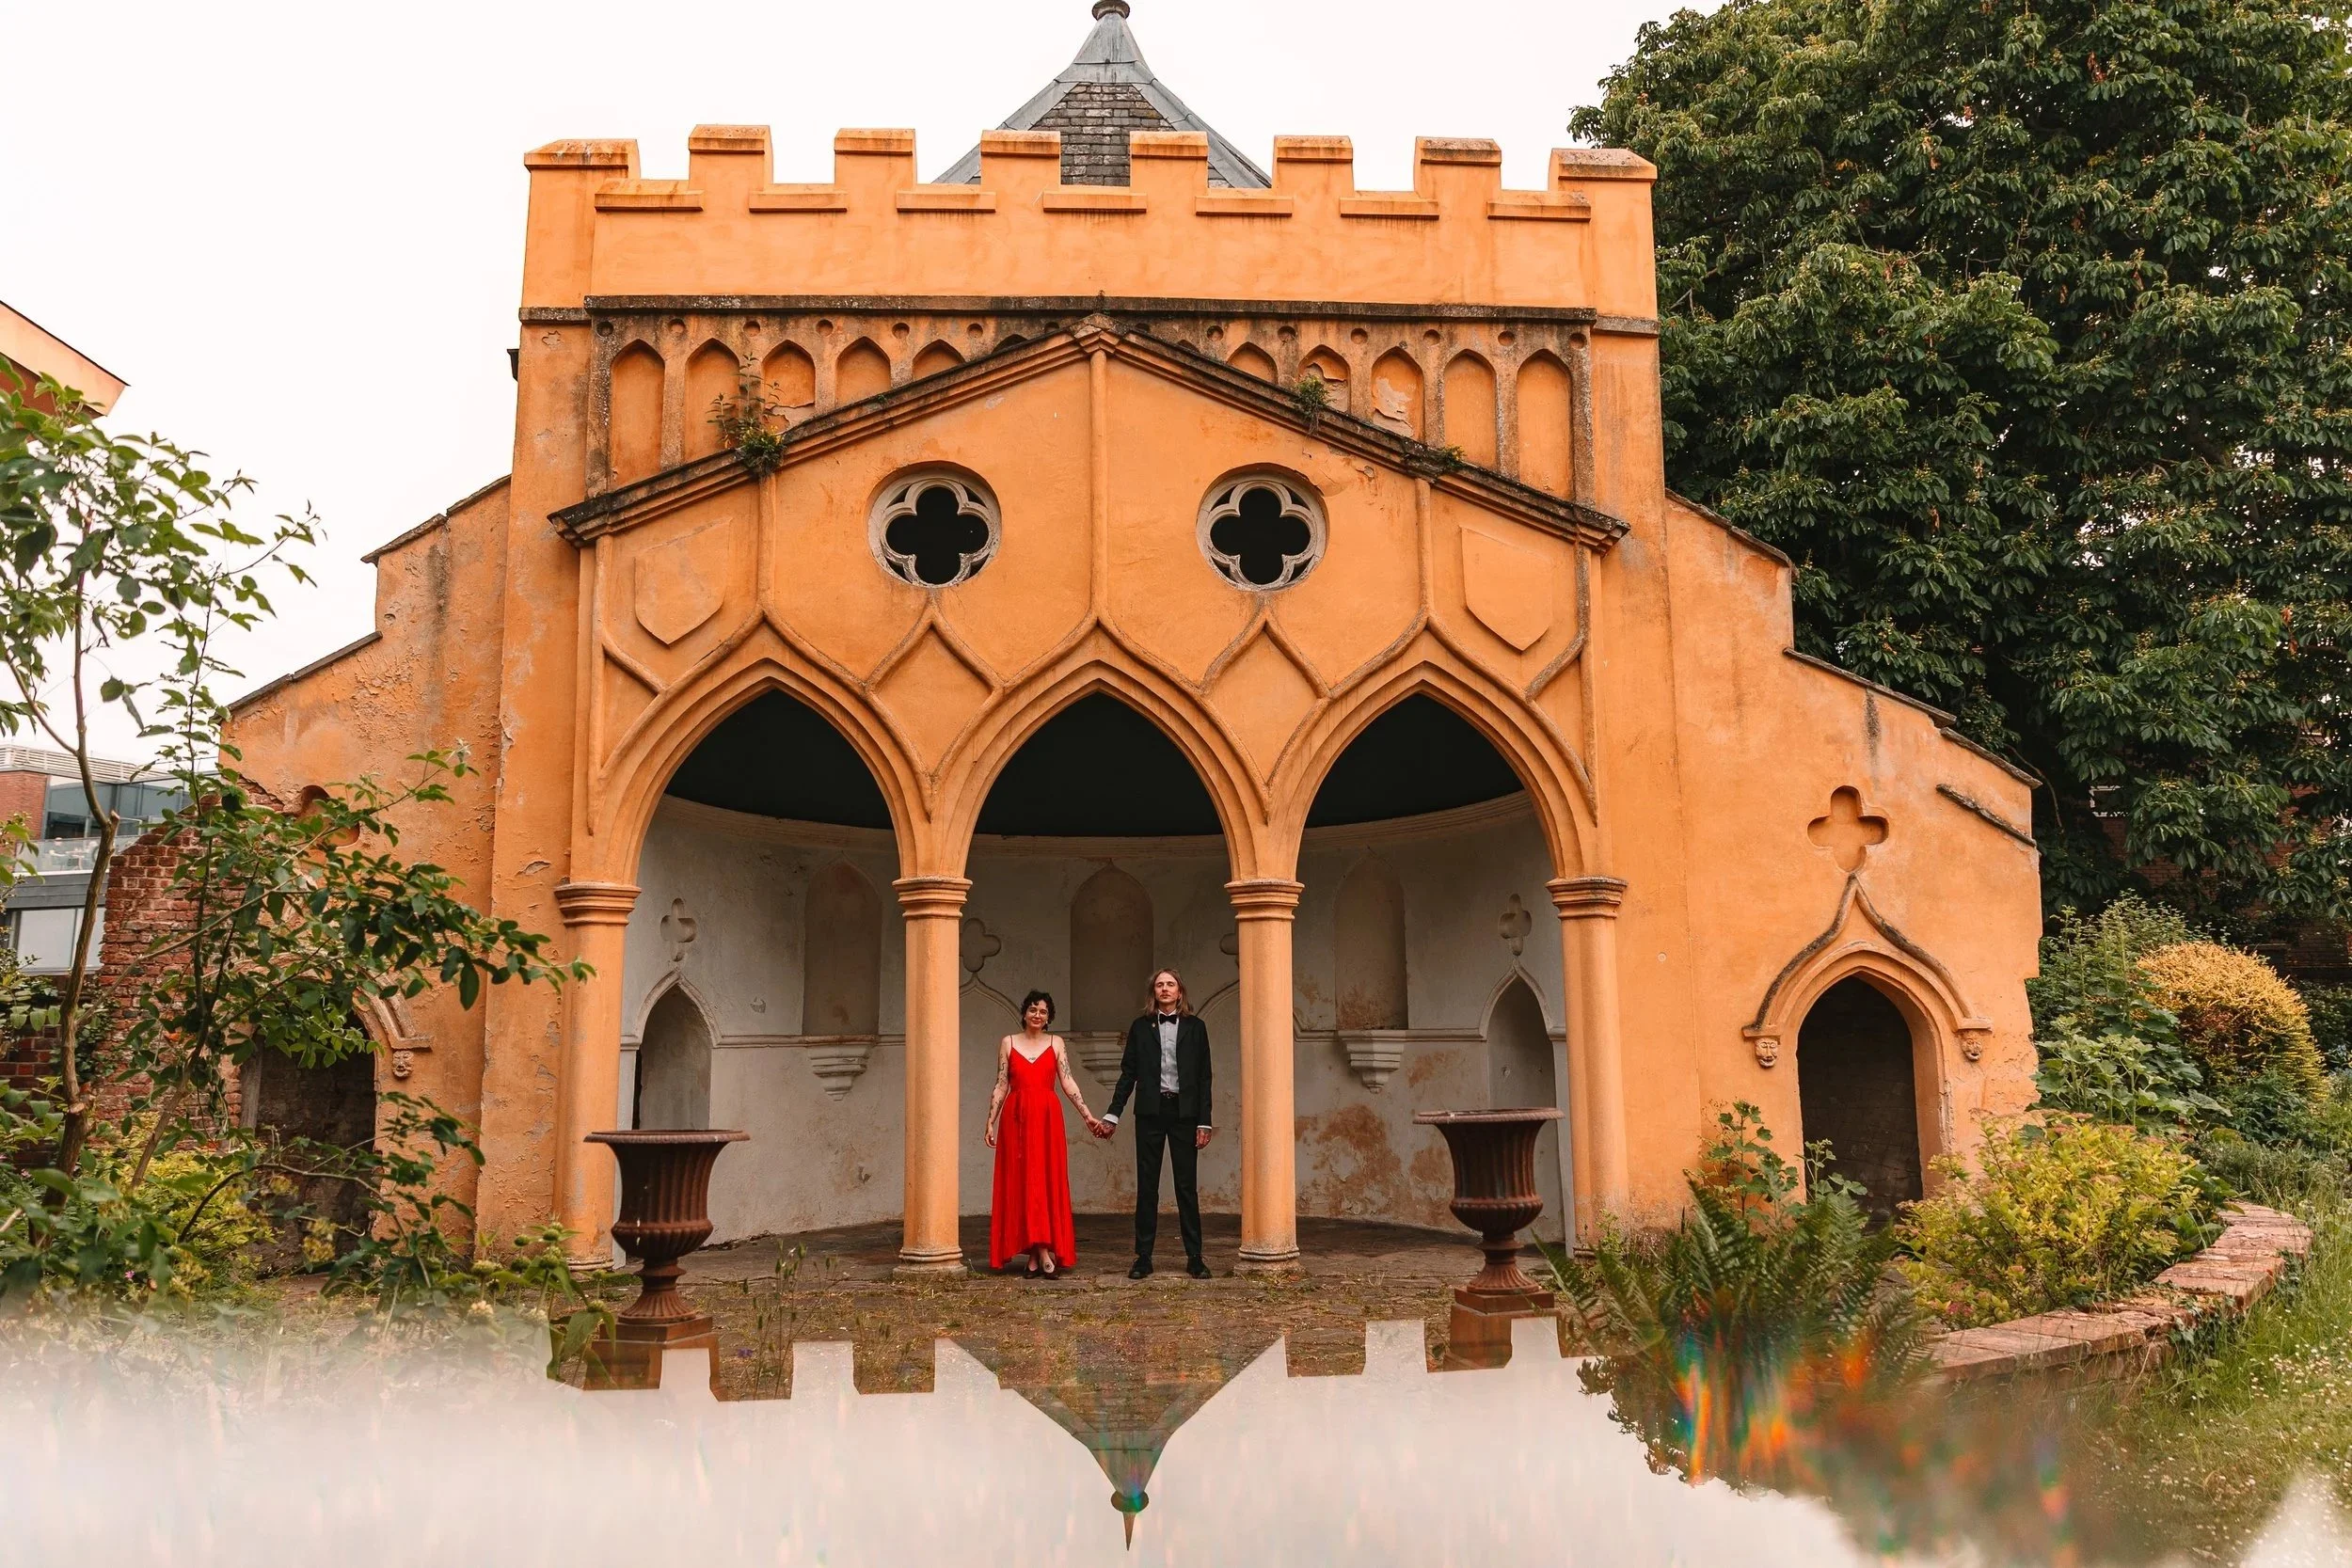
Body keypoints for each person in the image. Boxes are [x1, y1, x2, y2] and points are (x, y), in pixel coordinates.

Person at [1095, 968, 1215, 1279]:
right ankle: (1143, 1256)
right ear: (1153, 993)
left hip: (1185, 1114)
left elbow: (1205, 1078)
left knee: (1186, 1186)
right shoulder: (1140, 1027)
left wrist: (1205, 1122)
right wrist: (1113, 1112)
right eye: (1159, 985)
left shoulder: (1196, 1027)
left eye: (1170, 984)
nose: (1164, 989)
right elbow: (1128, 1073)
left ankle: (1195, 1256)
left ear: (1179, 992)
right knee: (1147, 1186)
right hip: (1150, 1111)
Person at [986, 990, 1105, 1277]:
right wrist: (990, 1120)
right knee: (1022, 1181)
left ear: (1049, 1017)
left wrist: (1087, 1115)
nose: (1037, 1015)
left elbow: (1068, 1081)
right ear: (1024, 1012)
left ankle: (1038, 1254)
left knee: (1045, 1180)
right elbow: (1002, 1083)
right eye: (1032, 1010)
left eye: (1043, 1011)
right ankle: (1039, 1253)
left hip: (1047, 1117)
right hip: (1016, 1118)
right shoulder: (1008, 1042)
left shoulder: (1056, 1044)